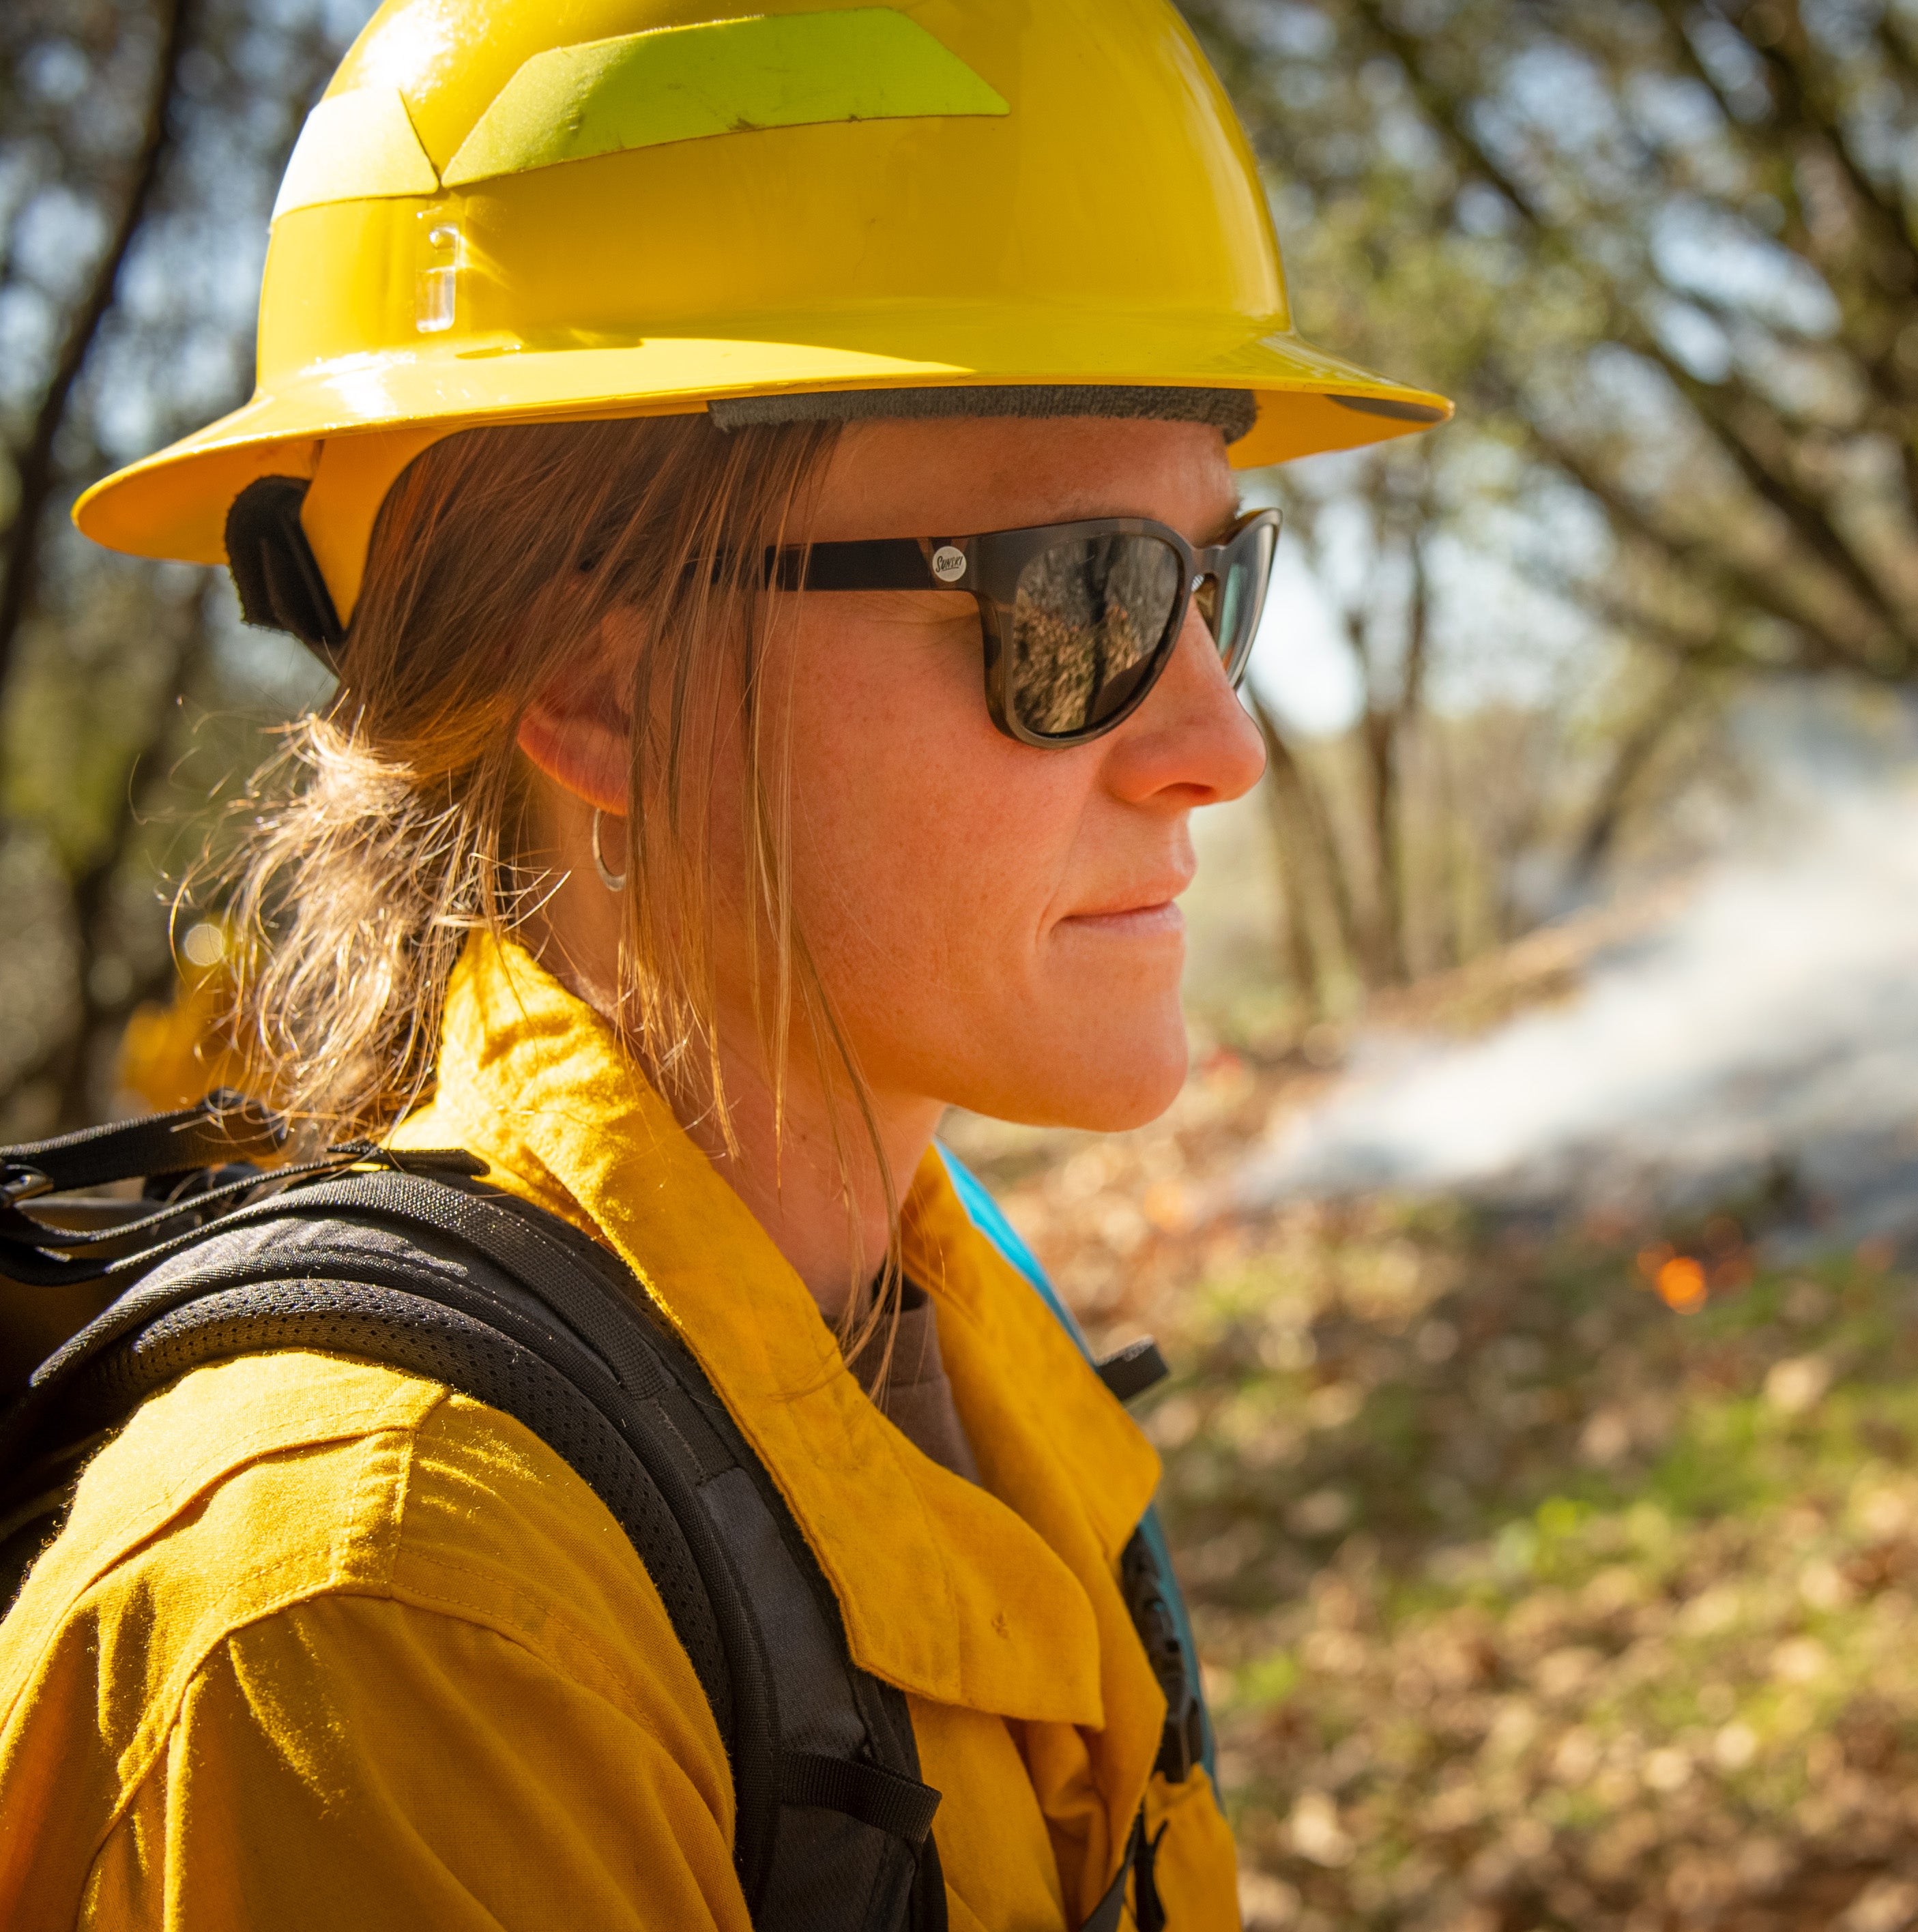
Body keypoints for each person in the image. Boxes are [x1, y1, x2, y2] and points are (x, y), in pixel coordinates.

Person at [0, 1, 1446, 1925]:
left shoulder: (939, 1324)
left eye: (1213, 590)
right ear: (600, 685)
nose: (1221, 742)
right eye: (1079, 604)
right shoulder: (389, 1623)